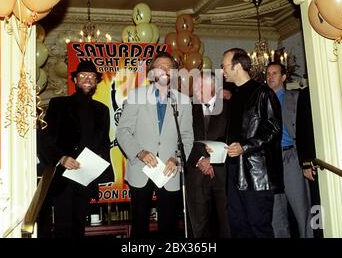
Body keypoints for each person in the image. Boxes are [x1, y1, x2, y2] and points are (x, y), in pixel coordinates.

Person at [116, 52, 193, 238]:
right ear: (151, 73)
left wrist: (176, 159)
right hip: (141, 169)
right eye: (160, 66)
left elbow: (187, 137)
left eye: (169, 67)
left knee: (169, 225)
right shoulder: (136, 95)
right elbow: (123, 131)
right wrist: (139, 152)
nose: (165, 70)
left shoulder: (183, 100)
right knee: (140, 225)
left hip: (169, 170)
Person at [40, 60, 114, 238]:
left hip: (85, 178)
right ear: (75, 79)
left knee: (79, 229)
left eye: (92, 76)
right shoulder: (58, 104)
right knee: (62, 229)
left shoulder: (103, 110)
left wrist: (98, 165)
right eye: (82, 76)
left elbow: (104, 143)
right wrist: (61, 158)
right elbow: (45, 138)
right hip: (63, 179)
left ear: (97, 81)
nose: (87, 79)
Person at [221, 48, 283, 238]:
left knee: (259, 228)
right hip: (234, 171)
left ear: (238, 66)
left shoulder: (263, 93)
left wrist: (244, 147)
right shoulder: (234, 96)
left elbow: (273, 131)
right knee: (238, 227)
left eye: (224, 66)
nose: (222, 71)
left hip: (256, 174)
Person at [265, 62, 313, 238]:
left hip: (291, 156)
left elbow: (306, 128)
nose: (270, 77)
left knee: (302, 209)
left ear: (284, 77)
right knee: (276, 214)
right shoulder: (263, 100)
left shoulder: (296, 97)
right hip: (271, 160)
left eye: (275, 73)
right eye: (268, 73)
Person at [186, 71, 231, 238]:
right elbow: (183, 138)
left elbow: (233, 137)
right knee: (198, 227)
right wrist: (200, 160)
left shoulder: (229, 107)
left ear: (213, 86)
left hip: (223, 173)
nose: (195, 89)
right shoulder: (188, 110)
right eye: (194, 85)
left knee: (226, 224)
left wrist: (212, 159)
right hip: (196, 173)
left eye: (199, 85)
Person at [296, 86, 323, 238]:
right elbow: (301, 130)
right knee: (316, 203)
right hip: (314, 161)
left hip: (336, 158)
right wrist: (305, 162)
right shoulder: (306, 93)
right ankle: (318, 234)